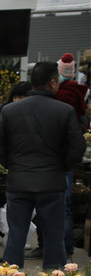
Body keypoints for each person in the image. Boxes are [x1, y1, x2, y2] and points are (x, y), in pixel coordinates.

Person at [0, 61, 84, 270]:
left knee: (16, 236)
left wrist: (13, 165)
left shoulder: (11, 110)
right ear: (52, 82)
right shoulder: (65, 111)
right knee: (54, 237)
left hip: (19, 182)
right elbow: (78, 147)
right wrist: (62, 166)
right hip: (52, 183)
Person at [54, 53, 89, 261]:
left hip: (56, 156)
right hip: (65, 157)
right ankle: (65, 250)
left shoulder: (60, 97)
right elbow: (82, 128)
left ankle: (60, 250)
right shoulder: (78, 94)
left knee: (57, 205)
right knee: (63, 205)